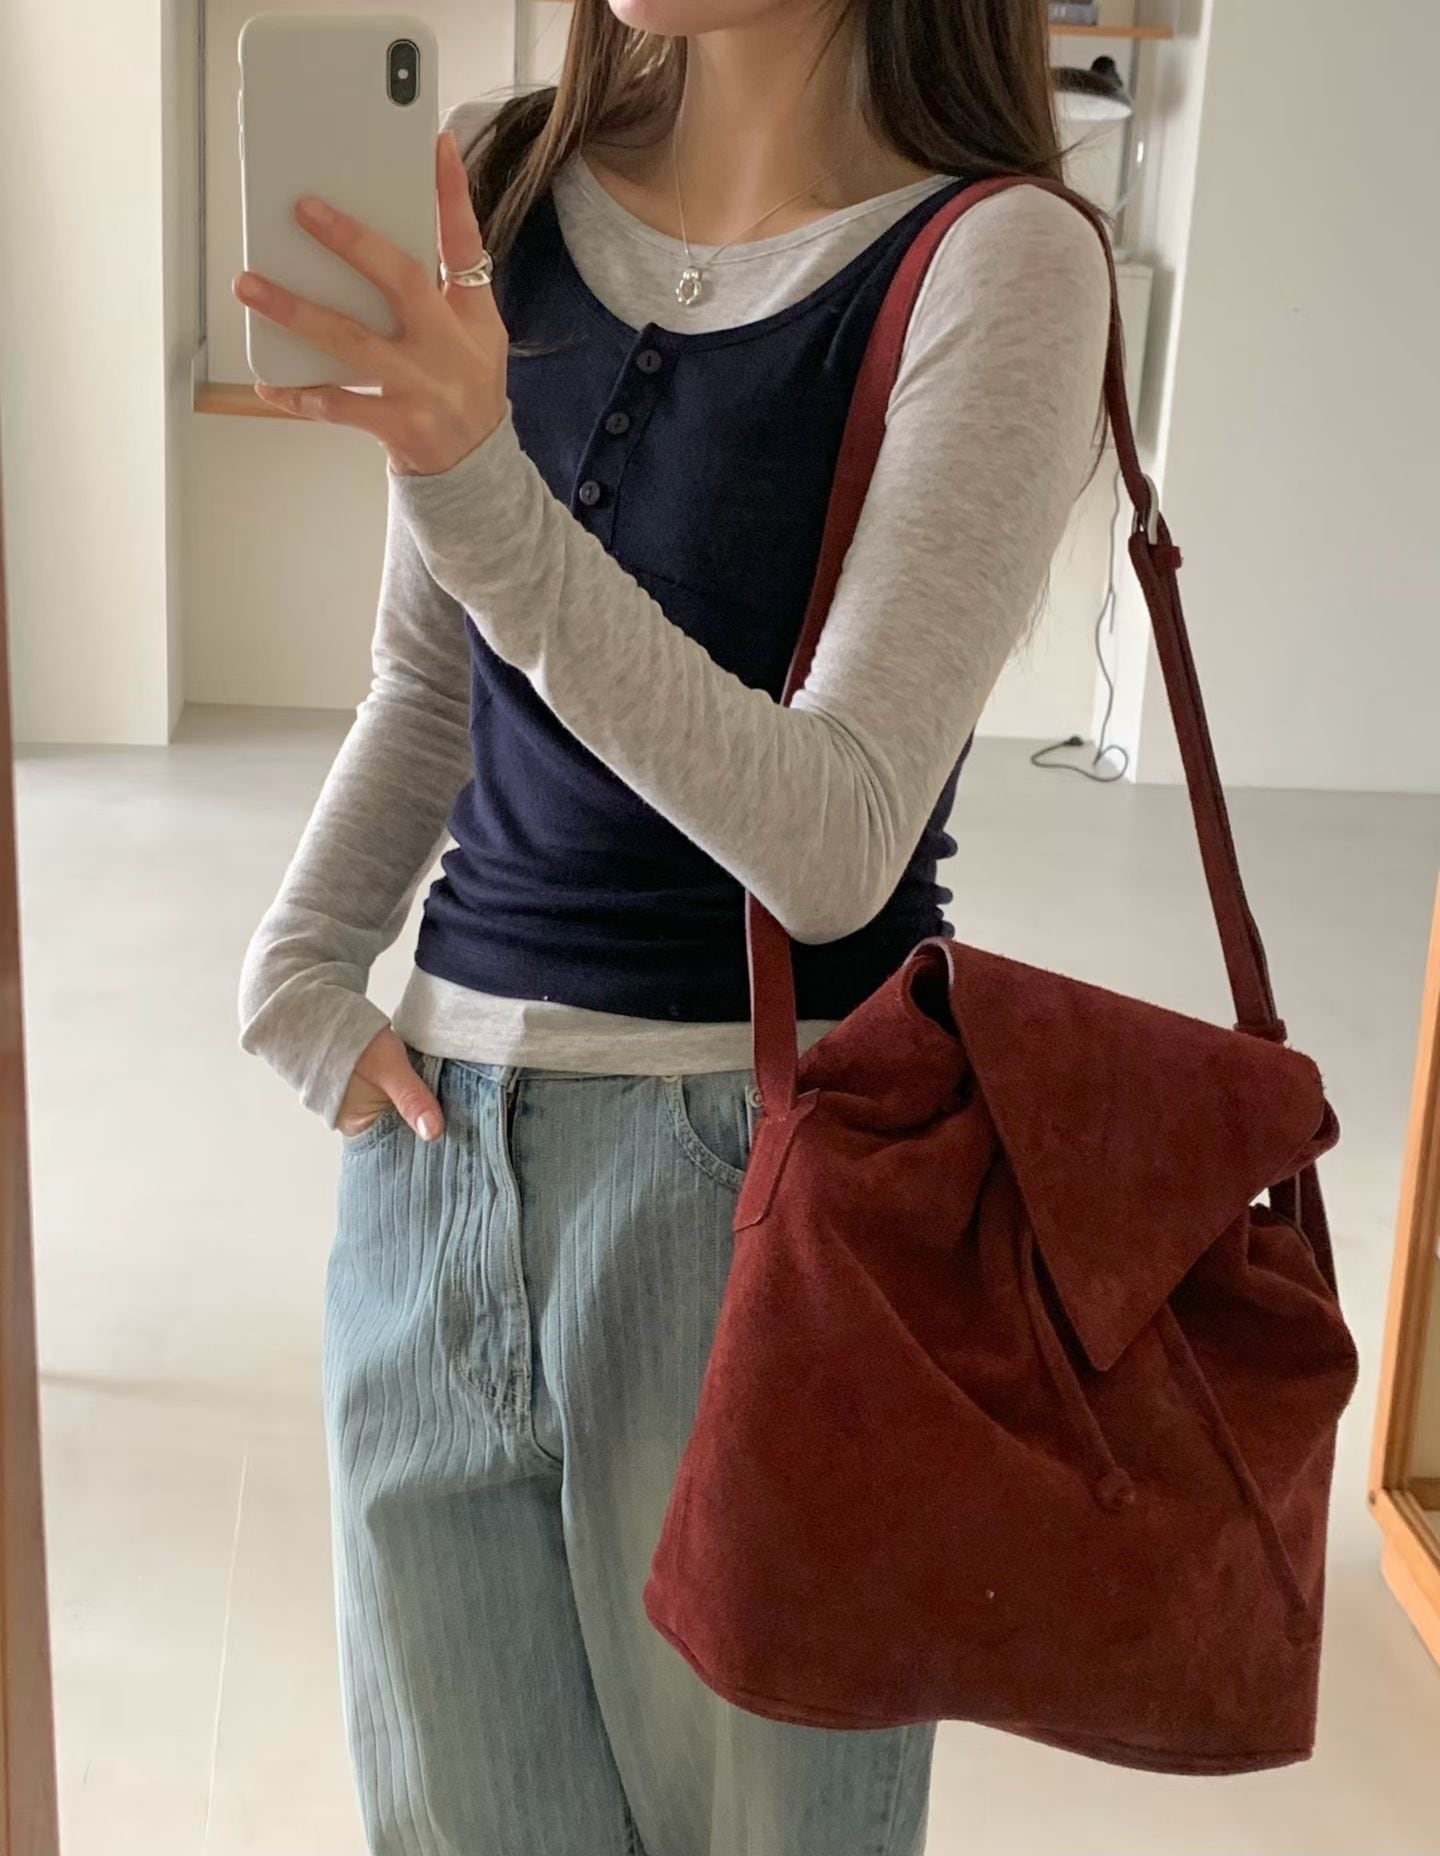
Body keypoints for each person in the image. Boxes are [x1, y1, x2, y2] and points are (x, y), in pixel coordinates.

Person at [236, 1, 1109, 1850]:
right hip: (437, 1163)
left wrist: (478, 478)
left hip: (764, 1194)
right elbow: (432, 678)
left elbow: (837, 836)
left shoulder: (999, 260)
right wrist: (300, 968)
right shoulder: (511, 180)